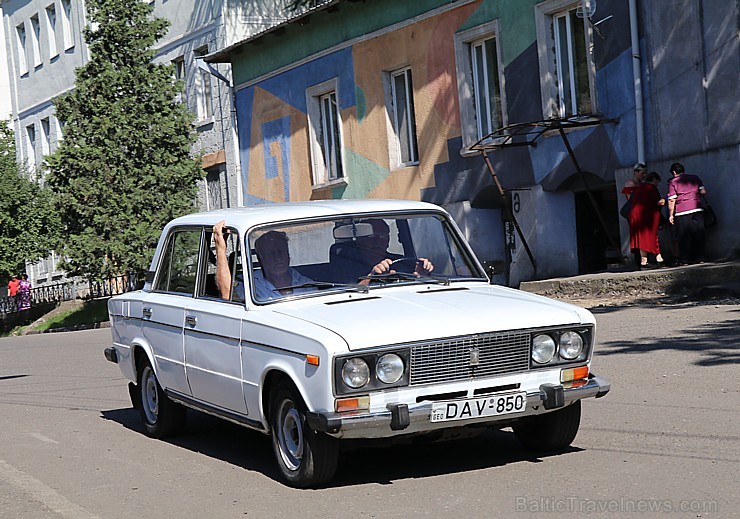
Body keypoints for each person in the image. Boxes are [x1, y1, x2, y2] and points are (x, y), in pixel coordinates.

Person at [355, 219, 433, 284]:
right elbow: (348, 293)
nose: (378, 241)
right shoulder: (346, 262)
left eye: (382, 236)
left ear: (388, 240)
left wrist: (422, 272)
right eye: (372, 236)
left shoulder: (401, 263)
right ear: (360, 240)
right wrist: (371, 278)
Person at [667, 162, 707, 264]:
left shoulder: (673, 182)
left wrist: (671, 215)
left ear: (674, 172)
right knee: (699, 234)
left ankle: (685, 259)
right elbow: (703, 192)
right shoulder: (695, 178)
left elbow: (672, 200)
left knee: (684, 236)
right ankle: (700, 258)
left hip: (682, 211)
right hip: (697, 209)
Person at [629, 171, 665, 268]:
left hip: (635, 215)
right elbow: (659, 202)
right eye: (657, 181)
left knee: (642, 238)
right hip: (646, 215)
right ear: (654, 180)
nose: (657, 184)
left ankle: (652, 259)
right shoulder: (651, 188)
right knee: (650, 236)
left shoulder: (639, 188)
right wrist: (665, 200)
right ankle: (649, 260)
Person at [623, 162, 647, 266]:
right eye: (642, 173)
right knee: (637, 236)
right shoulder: (630, 183)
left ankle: (645, 258)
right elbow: (630, 200)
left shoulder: (642, 184)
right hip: (634, 213)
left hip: (643, 212)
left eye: (645, 173)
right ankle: (639, 260)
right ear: (636, 172)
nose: (644, 175)